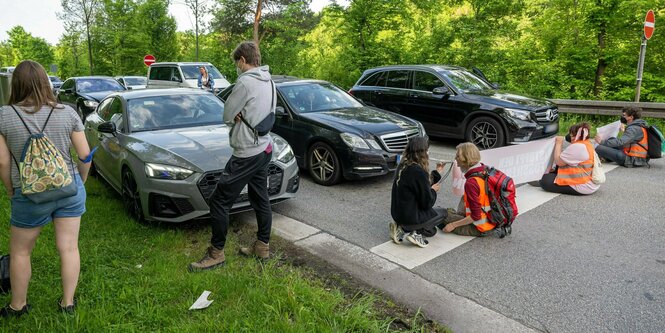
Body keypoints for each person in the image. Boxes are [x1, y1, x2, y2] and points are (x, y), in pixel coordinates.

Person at [0, 60, 91, 316]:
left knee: (20, 251)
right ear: (45, 82)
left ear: (15, 84)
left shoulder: (4, 115)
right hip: (68, 188)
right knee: (69, 247)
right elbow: (85, 156)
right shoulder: (68, 112)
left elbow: (2, 161)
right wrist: (80, 181)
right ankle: (68, 303)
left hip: (29, 193)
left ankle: (17, 306)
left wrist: (10, 189)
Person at [189, 41, 275, 271]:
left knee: (219, 200)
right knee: (260, 198)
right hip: (265, 147)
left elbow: (227, 113)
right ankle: (262, 246)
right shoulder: (269, 80)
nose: (236, 66)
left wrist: (236, 113)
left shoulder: (246, 81)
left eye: (236, 62)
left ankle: (216, 253)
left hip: (247, 150)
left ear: (242, 60)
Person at [389, 136, 446, 248]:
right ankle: (415, 233)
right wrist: (433, 191)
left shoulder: (403, 165)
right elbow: (427, 203)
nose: (428, 153)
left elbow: (419, 186)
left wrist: (437, 172)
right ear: (422, 152)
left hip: (397, 214)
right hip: (410, 216)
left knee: (432, 231)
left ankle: (401, 228)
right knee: (443, 213)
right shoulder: (418, 171)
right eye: (427, 150)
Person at [438, 142, 497, 237]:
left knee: (440, 214)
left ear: (465, 159)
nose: (455, 160)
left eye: (457, 156)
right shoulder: (485, 170)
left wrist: (453, 225)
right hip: (492, 221)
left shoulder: (472, 182)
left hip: (478, 227)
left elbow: (476, 216)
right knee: (447, 211)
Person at [538, 122, 600, 195]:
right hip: (589, 181)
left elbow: (558, 161)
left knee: (544, 181)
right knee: (555, 170)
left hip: (583, 185)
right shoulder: (587, 143)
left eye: (571, 134)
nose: (569, 136)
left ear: (575, 136)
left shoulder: (577, 147)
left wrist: (559, 143)